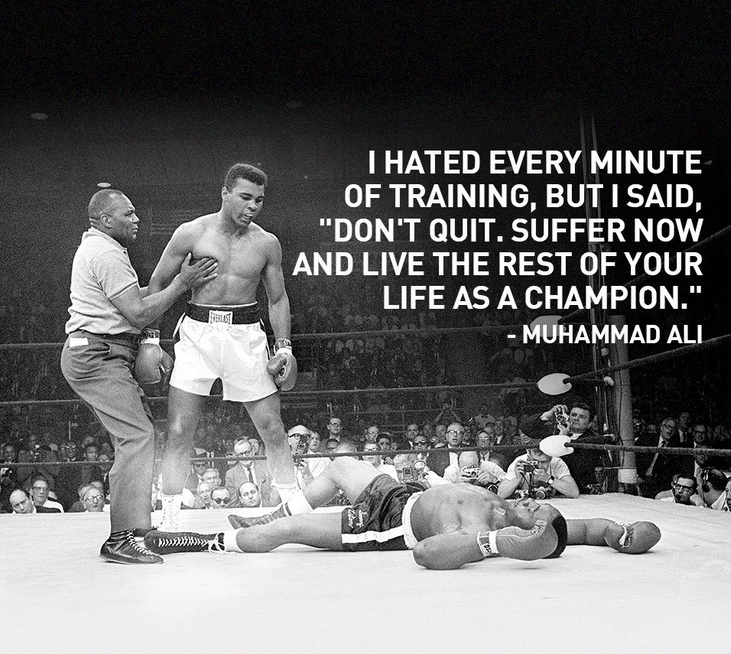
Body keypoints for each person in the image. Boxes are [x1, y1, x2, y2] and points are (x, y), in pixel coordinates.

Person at [60, 188, 217, 564]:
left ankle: (137, 530)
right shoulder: (105, 253)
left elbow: (131, 299)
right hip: (95, 355)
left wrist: (171, 283)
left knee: (140, 433)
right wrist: (182, 283)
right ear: (105, 220)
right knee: (137, 436)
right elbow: (139, 313)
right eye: (128, 214)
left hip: (103, 352)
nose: (136, 219)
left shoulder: (105, 249)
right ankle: (120, 538)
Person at [146, 456, 661, 568]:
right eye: (534, 498)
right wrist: (624, 533)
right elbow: (590, 529)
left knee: (288, 532)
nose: (528, 499)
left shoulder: (481, 530)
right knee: (341, 465)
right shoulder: (511, 505)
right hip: (398, 492)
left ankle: (200, 541)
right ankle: (265, 515)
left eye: (534, 509)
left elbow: (428, 555)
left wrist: (498, 544)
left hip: (384, 524)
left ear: (532, 531)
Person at [147, 163, 299, 532]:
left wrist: (285, 348)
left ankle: (295, 512)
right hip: (197, 334)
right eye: (245, 197)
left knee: (272, 429)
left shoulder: (266, 243)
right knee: (179, 431)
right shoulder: (191, 233)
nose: (253, 206)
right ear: (225, 194)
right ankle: (169, 518)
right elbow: (158, 282)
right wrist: (151, 339)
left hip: (246, 336)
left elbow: (277, 298)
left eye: (259, 200)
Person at [499, 446, 580, 500]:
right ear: (529, 458)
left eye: (544, 462)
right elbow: (501, 494)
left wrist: (548, 479)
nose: (539, 466)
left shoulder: (557, 463)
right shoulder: (520, 462)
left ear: (551, 459)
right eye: (535, 461)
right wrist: (517, 479)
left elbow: (574, 492)